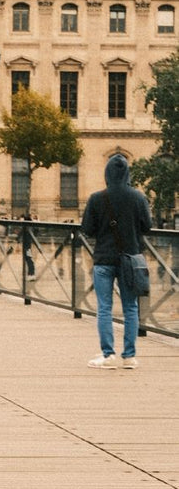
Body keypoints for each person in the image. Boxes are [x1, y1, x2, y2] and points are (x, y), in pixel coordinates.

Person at [80, 154, 152, 369]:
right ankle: (129, 356)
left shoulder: (96, 198)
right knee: (131, 307)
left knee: (104, 307)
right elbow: (147, 226)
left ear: (107, 174)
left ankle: (108, 355)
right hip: (130, 259)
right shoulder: (138, 198)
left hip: (103, 258)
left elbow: (87, 229)